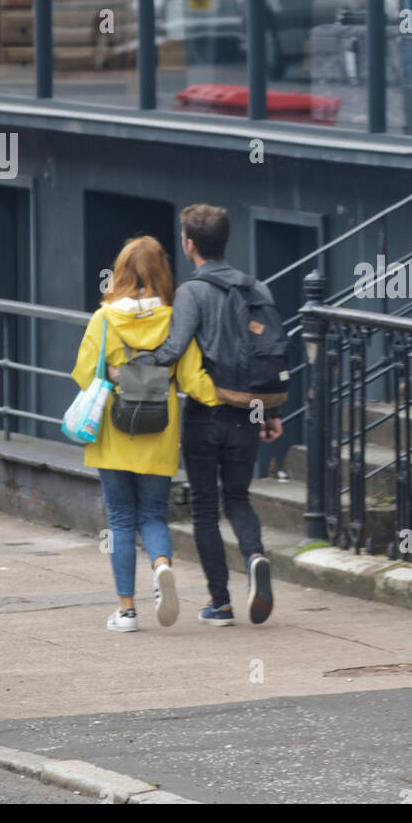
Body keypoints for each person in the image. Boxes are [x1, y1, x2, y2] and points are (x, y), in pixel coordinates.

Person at [71, 235, 217, 633]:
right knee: (153, 514)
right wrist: (228, 399)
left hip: (114, 432)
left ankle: (126, 611)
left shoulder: (104, 319)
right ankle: (162, 566)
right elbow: (190, 377)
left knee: (120, 518)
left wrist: (119, 373)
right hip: (159, 429)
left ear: (119, 272)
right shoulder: (174, 318)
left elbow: (85, 374)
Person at [152, 204, 282, 627]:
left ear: (189, 245)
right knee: (239, 498)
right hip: (249, 410)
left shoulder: (193, 291)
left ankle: (221, 604)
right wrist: (270, 413)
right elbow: (265, 358)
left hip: (205, 415)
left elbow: (173, 351)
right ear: (224, 242)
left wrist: (131, 364)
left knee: (206, 509)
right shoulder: (257, 288)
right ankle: (256, 556)